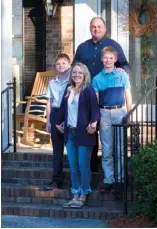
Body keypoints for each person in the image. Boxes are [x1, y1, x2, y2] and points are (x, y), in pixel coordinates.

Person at [73, 17, 130, 172]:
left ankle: (116, 174)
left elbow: (125, 65)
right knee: (89, 131)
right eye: (93, 27)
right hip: (86, 96)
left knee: (110, 140)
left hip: (107, 101)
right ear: (90, 28)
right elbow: (74, 68)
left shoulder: (113, 46)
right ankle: (91, 169)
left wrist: (121, 70)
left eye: (99, 27)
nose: (96, 29)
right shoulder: (82, 47)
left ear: (104, 28)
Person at [56, 62, 100, 208]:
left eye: (79, 73)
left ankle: (83, 194)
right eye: (74, 72)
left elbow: (95, 109)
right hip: (70, 133)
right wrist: (59, 122)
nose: (76, 75)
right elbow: (63, 109)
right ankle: (75, 194)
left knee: (83, 165)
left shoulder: (88, 89)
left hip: (84, 133)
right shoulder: (69, 89)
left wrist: (93, 123)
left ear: (85, 74)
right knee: (73, 166)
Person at [92, 46, 132, 193]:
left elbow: (128, 96)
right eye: (106, 58)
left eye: (111, 58)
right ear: (102, 59)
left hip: (119, 112)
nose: (108, 60)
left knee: (120, 149)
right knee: (107, 149)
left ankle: (120, 179)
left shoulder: (122, 75)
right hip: (104, 113)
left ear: (115, 59)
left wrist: (129, 114)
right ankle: (109, 179)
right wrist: (96, 119)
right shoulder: (96, 78)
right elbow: (95, 102)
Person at [42, 53, 71, 191]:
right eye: (58, 64)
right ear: (56, 66)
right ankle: (56, 180)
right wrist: (48, 121)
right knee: (57, 151)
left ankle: (74, 181)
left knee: (71, 149)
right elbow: (49, 102)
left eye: (64, 63)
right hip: (55, 114)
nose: (61, 66)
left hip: (68, 114)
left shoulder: (73, 81)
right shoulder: (52, 82)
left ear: (69, 65)